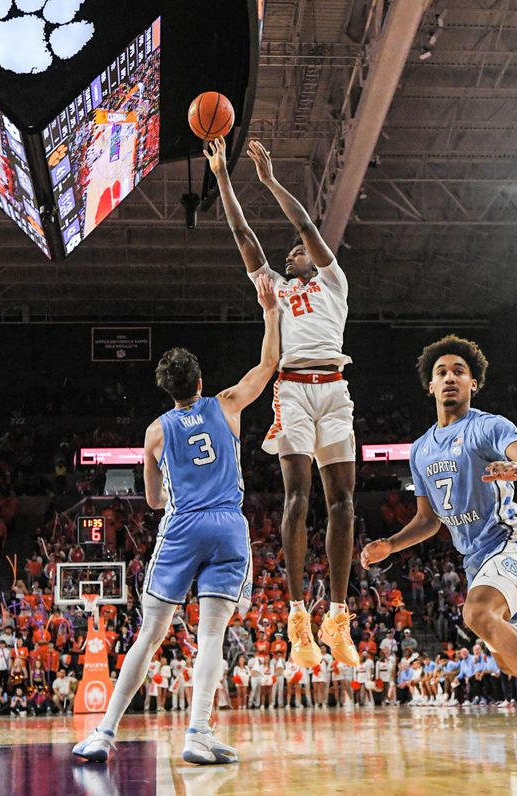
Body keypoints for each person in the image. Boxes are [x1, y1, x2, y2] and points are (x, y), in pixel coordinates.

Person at [361, 335, 517, 769]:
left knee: (477, 614)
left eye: (459, 371)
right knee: (512, 659)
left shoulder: (486, 425)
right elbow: (428, 519)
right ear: (430, 387)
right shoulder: (421, 449)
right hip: (477, 559)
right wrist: (391, 545)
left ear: (473, 383)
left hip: (514, 538)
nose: (450, 378)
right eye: (441, 372)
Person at [73, 274, 280, 765]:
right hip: (230, 525)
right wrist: (269, 309)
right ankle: (198, 733)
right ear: (202, 383)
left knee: (151, 634)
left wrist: (177, 490)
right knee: (211, 637)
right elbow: (268, 364)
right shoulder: (226, 406)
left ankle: (104, 733)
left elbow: (151, 500)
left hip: (184, 525)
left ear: (167, 391)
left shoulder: (155, 432)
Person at [206, 136, 358, 670]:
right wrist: (224, 175)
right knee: (298, 499)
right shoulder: (271, 285)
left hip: (334, 391)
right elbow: (243, 234)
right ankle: (297, 617)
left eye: (297, 251)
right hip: (292, 389)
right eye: (290, 253)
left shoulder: (333, 281)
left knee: (343, 504)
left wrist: (270, 180)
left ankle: (336, 617)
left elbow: (307, 228)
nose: (293, 252)